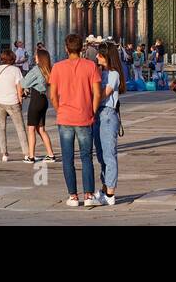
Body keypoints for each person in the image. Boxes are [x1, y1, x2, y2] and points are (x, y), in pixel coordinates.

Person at [49, 33, 103, 207]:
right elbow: (97, 93)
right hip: (84, 117)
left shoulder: (57, 67)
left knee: (67, 158)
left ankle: (73, 196)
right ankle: (88, 196)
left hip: (64, 117)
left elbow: (53, 95)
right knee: (86, 157)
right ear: (82, 48)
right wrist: (92, 111)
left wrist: (60, 110)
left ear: (66, 48)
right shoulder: (91, 66)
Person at [93, 41, 125, 205]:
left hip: (107, 114)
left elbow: (103, 94)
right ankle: (105, 188)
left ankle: (111, 194)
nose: (97, 56)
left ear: (107, 56)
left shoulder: (113, 74)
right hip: (98, 115)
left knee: (109, 154)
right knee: (100, 155)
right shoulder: (100, 72)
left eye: (99, 54)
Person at [0, 48, 31, 162]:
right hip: (12, 101)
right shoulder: (16, 70)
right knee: (20, 128)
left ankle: (4, 154)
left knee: (1, 128)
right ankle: (26, 153)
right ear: (13, 58)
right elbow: (19, 87)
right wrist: (20, 99)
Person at [23, 48, 56, 162]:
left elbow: (24, 82)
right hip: (43, 100)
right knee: (41, 129)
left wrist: (25, 88)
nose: (34, 57)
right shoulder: (47, 69)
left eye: (36, 56)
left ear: (40, 58)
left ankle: (31, 156)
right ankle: (50, 154)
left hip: (36, 100)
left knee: (31, 129)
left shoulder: (36, 69)